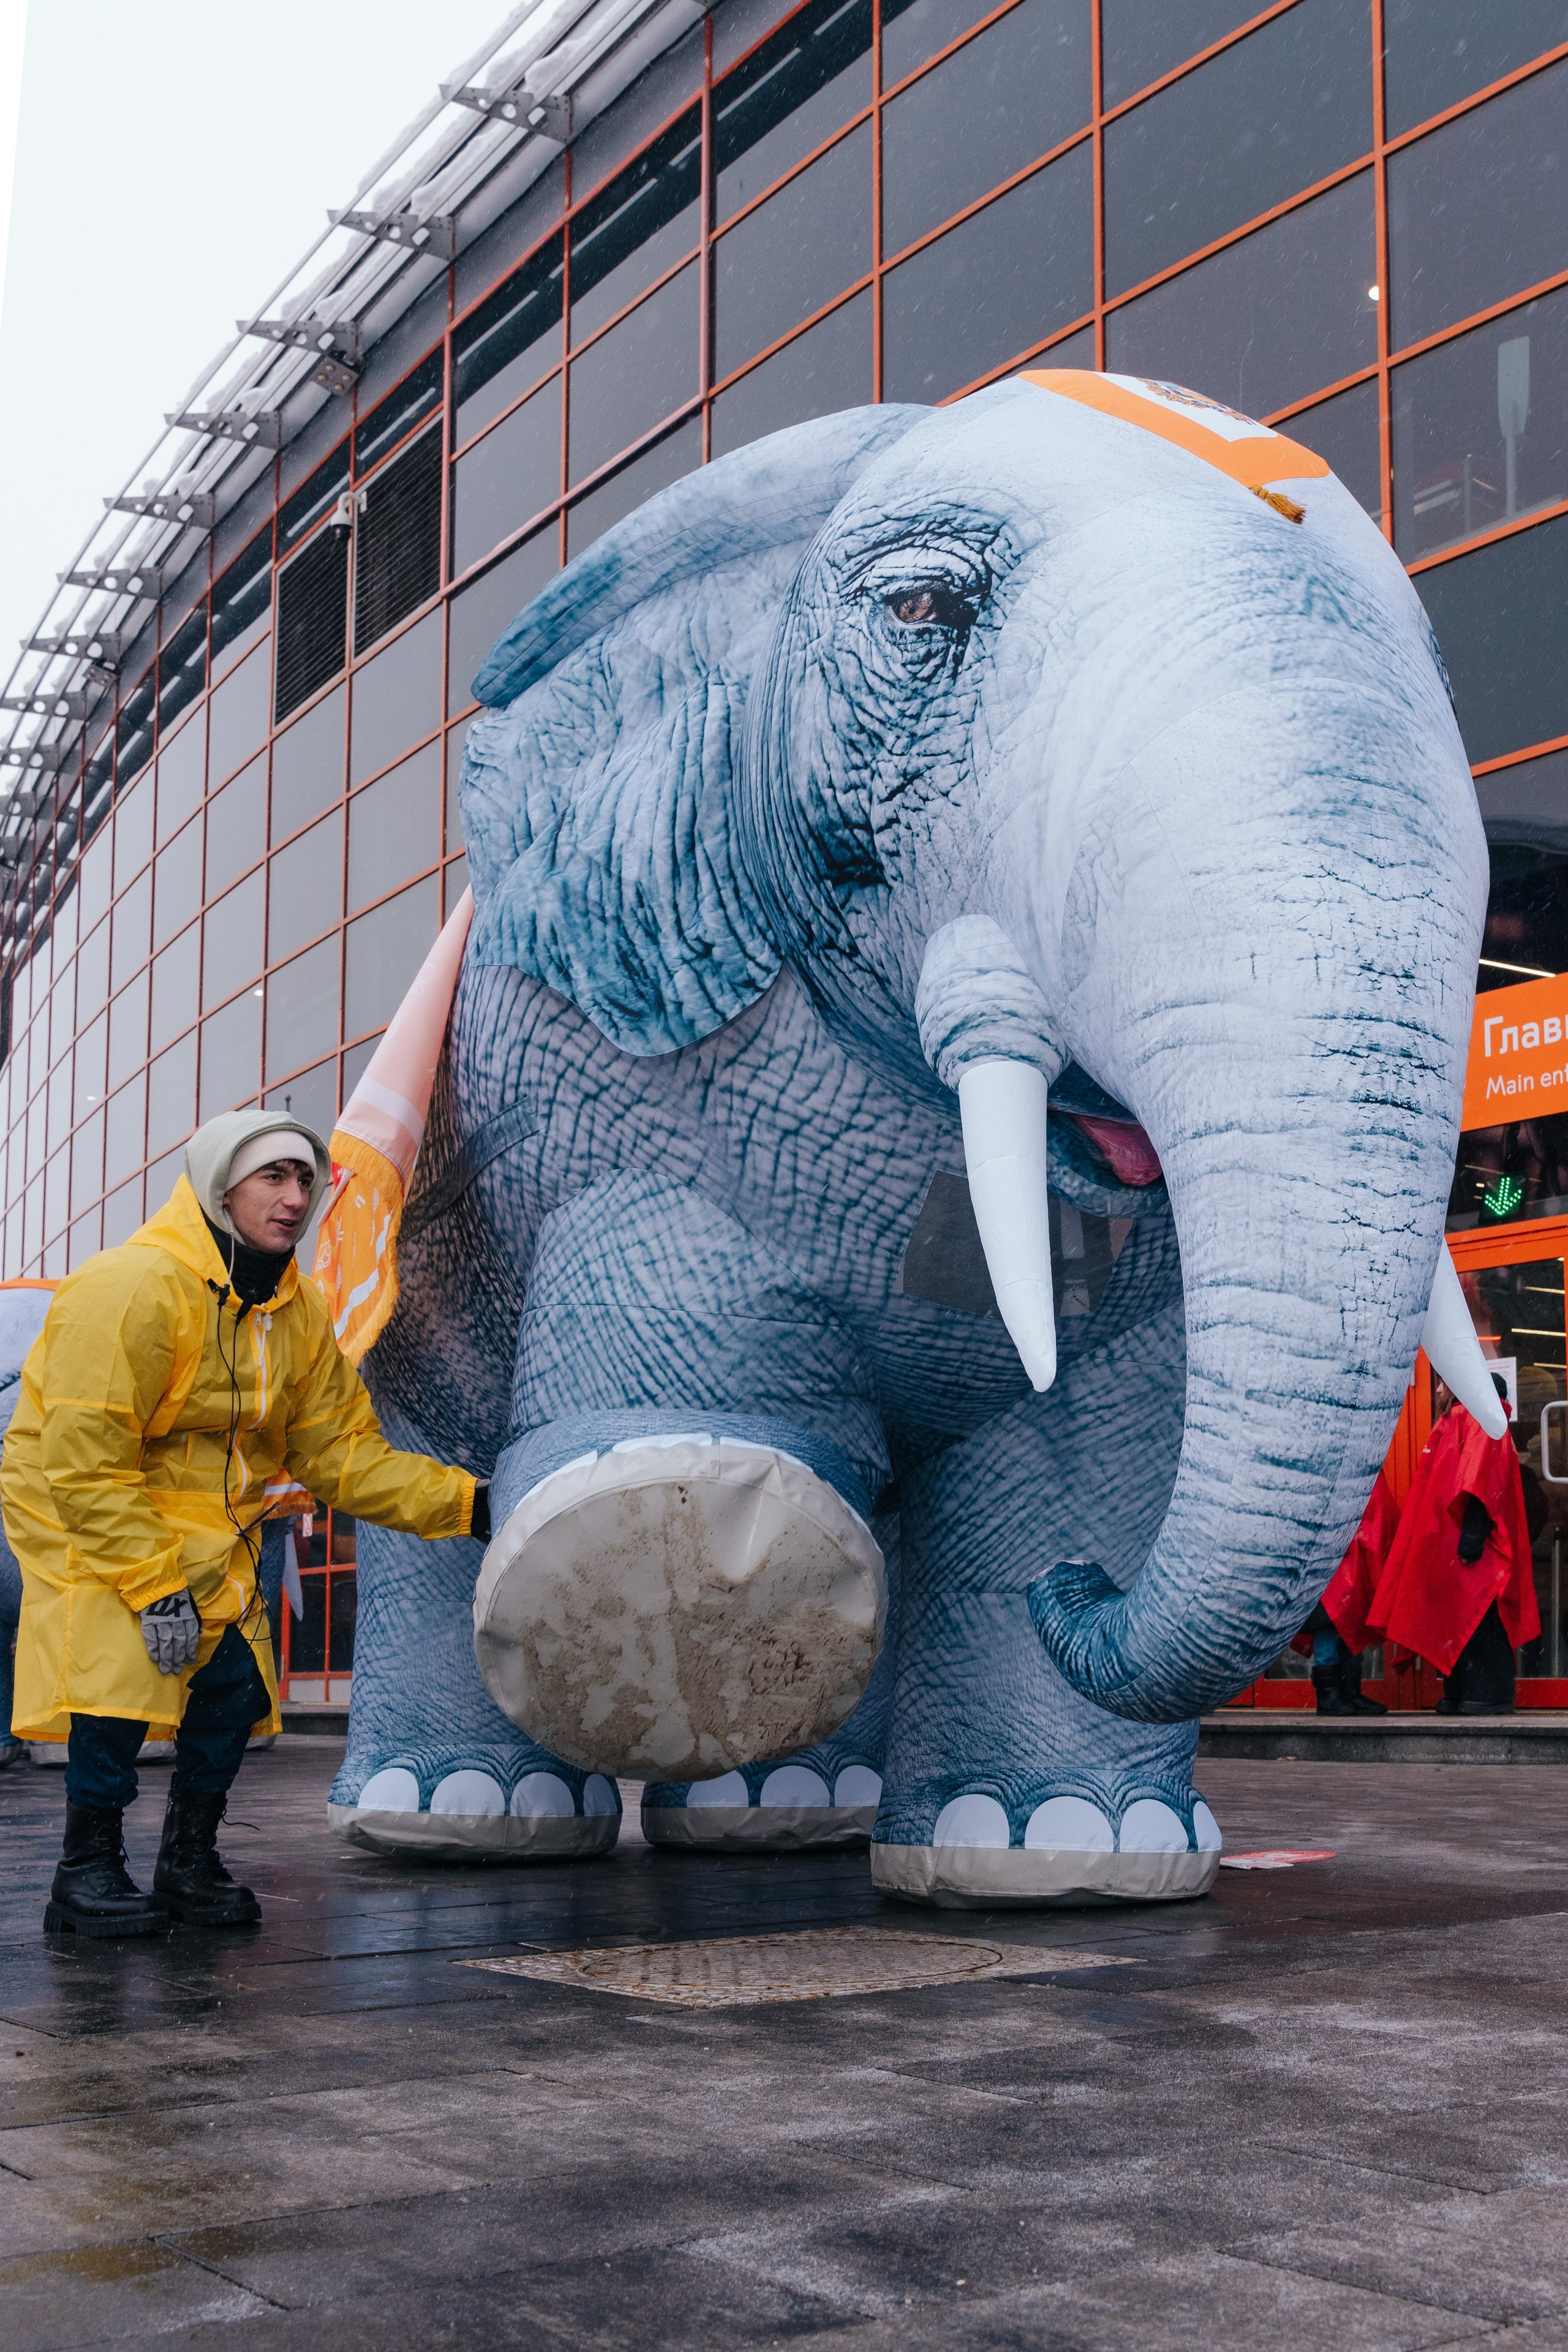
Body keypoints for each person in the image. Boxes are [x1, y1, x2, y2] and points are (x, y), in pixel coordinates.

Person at [2, 1110, 490, 1938]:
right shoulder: (132, 1287)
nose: (295, 1197)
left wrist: (470, 1504)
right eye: (273, 1176)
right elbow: (84, 1462)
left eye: (306, 1178)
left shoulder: (296, 1314)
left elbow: (341, 1455)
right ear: (220, 1188)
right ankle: (84, 1873)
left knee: (231, 1690)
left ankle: (187, 1862)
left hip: (211, 1530)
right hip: (89, 1517)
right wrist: (152, 1583)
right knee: (116, 1685)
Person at [1365, 1373, 1540, 1715]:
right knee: (1473, 1620)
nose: (1438, 1388)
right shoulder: (1478, 1419)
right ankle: (1474, 1692)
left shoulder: (1473, 1418)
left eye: (1444, 1382)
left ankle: (1476, 1693)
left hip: (1463, 1541)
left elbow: (1480, 1481)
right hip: (1464, 1539)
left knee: (1472, 1618)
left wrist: (1472, 1536)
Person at [1294, 1466, 1400, 1714]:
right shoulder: (1336, 1467)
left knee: (1348, 1625)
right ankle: (1330, 1697)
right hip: (1331, 1560)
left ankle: (1348, 1693)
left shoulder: (1355, 1464)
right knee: (1330, 1625)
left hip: (1350, 1557)